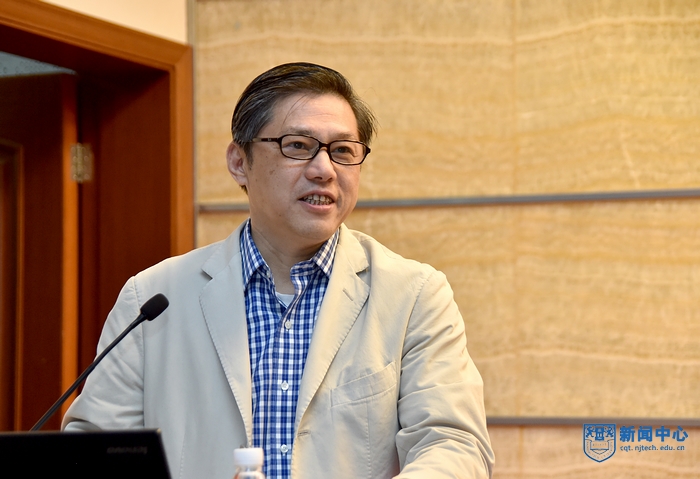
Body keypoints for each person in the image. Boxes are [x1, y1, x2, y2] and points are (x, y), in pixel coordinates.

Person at [63, 62, 495, 479]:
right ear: (240, 162)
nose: (324, 170)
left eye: (343, 151)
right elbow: (94, 452)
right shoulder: (153, 298)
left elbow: (454, 444)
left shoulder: (414, 295)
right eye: (298, 146)